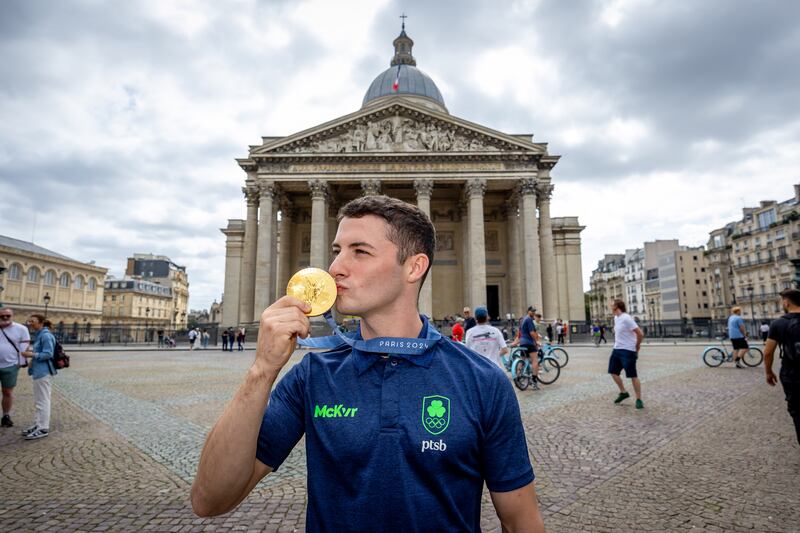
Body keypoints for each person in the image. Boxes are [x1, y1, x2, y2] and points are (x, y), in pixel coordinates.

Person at [191, 195, 544, 531]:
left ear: (414, 267)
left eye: (359, 252)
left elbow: (520, 521)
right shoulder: (311, 376)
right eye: (337, 251)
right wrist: (261, 371)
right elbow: (210, 499)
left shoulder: (483, 381)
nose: (333, 268)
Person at [763, 289, 800, 445]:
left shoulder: (779, 323)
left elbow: (768, 352)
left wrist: (768, 372)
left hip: (792, 374)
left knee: (797, 411)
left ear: (786, 302)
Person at [20, 314, 56, 439]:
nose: (30, 323)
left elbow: (48, 353)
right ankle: (38, 424)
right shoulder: (40, 334)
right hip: (38, 371)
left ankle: (43, 428)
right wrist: (32, 360)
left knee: (43, 400)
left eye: (33, 321)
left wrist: (31, 355)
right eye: (29, 321)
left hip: (43, 372)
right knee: (39, 401)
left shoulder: (46, 335)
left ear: (41, 322)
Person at [609, 300, 644, 409]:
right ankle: (623, 392)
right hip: (617, 349)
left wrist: (637, 346)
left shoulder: (626, 318)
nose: (610, 306)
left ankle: (639, 399)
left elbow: (640, 333)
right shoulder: (616, 318)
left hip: (628, 351)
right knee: (613, 372)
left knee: (633, 375)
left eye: (612, 304)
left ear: (617, 306)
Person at [0, 308, 31, 428]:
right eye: (2, 315)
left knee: (7, 392)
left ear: (12, 316)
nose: (5, 317)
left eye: (7, 315)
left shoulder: (21, 329)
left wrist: (20, 363)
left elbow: (25, 346)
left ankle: (6, 416)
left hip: (10, 365)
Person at [513, 306, 540, 390]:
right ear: (528, 311)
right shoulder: (529, 320)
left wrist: (516, 341)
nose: (533, 313)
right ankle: (534, 380)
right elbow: (532, 333)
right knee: (535, 360)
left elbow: (520, 332)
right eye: (532, 311)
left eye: (534, 311)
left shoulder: (523, 320)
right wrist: (537, 341)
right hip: (529, 343)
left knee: (522, 359)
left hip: (523, 343)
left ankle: (518, 377)